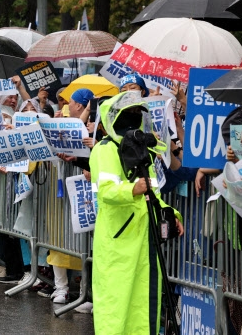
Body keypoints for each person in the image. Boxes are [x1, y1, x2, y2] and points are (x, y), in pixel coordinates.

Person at [89, 90, 184, 334]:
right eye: (127, 113)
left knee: (144, 306)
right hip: (118, 246)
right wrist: (133, 189)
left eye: (136, 113)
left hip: (145, 242)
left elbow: (153, 195)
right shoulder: (105, 149)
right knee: (115, 307)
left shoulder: (142, 151)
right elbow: (107, 191)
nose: (133, 117)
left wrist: (171, 214)